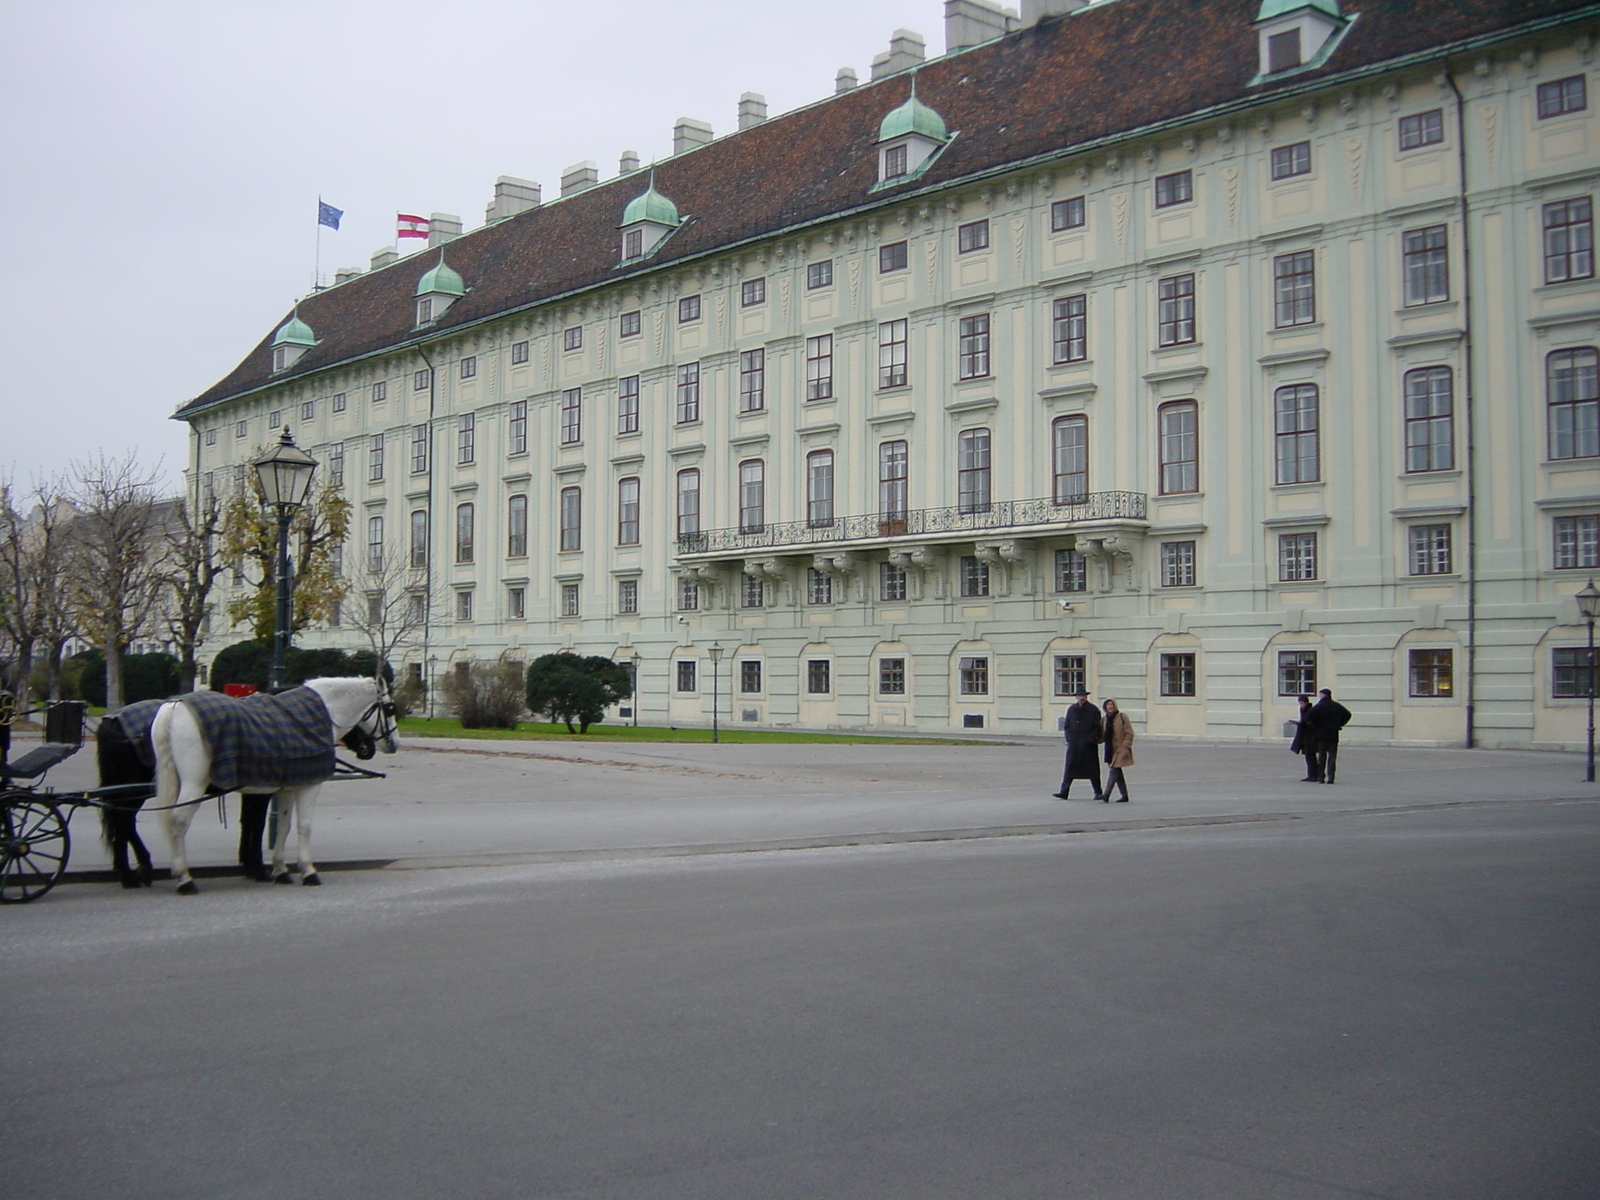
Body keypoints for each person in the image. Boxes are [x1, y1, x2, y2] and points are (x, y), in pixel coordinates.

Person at [1053, 690, 1104, 800]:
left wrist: (1091, 739)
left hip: (1088, 745)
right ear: (1076, 697)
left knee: (1092, 769)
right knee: (1070, 769)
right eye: (1079, 695)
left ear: (1086, 696)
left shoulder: (1093, 710)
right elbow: (1067, 726)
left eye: (1083, 695)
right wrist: (1069, 739)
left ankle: (1098, 792)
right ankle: (1064, 792)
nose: (1081, 697)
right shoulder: (1072, 709)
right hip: (1074, 744)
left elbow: (1097, 727)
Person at [1306, 688, 1352, 784]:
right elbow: (1348, 714)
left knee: (1322, 756)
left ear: (1322, 695)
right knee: (1332, 756)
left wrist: (1314, 725)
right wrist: (1340, 724)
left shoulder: (1319, 706)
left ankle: (1321, 777)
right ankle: (1331, 777)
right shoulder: (1336, 706)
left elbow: (1308, 716)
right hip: (1333, 733)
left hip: (1321, 734)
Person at [1101, 698, 1133, 802]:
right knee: (1117, 772)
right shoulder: (1104, 719)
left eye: (1112, 705)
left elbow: (1129, 732)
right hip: (1110, 749)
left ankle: (1106, 794)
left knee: (1114, 770)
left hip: (1121, 748)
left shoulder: (1122, 717)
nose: (1110, 707)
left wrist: (1125, 745)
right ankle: (1124, 795)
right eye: (1108, 705)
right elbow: (1102, 735)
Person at [1288, 694, 1319, 781]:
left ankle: (1313, 775)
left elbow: (1311, 723)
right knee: (1308, 756)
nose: (1301, 705)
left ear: (1306, 702)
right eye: (1300, 703)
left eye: (1302, 703)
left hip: (1309, 736)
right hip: (1304, 735)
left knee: (1310, 756)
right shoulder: (1303, 710)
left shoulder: (1310, 710)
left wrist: (1302, 724)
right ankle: (1311, 775)